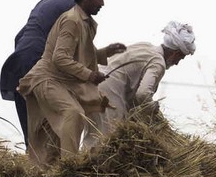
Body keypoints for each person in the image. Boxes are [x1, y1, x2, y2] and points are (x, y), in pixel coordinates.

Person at [16, 0, 126, 168]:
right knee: (73, 112)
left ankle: (48, 175)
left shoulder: (86, 23)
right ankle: (71, 168)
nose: (103, 3)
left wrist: (106, 51)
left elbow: (82, 53)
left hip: (62, 83)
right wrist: (90, 75)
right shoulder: (72, 21)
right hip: (48, 80)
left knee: (53, 143)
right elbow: (60, 58)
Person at [82, 21, 197, 150]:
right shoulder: (158, 63)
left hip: (91, 82)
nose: (176, 63)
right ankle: (88, 169)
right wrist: (152, 108)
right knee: (106, 141)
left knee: (93, 136)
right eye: (180, 59)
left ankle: (79, 167)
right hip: (108, 92)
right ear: (175, 53)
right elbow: (142, 94)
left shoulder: (146, 46)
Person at [0, 0, 76, 140]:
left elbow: (19, 36)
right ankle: (59, 161)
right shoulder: (74, 6)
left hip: (20, 59)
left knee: (31, 126)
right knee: (56, 120)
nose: (101, 4)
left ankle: (33, 156)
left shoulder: (48, 2)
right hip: (37, 58)